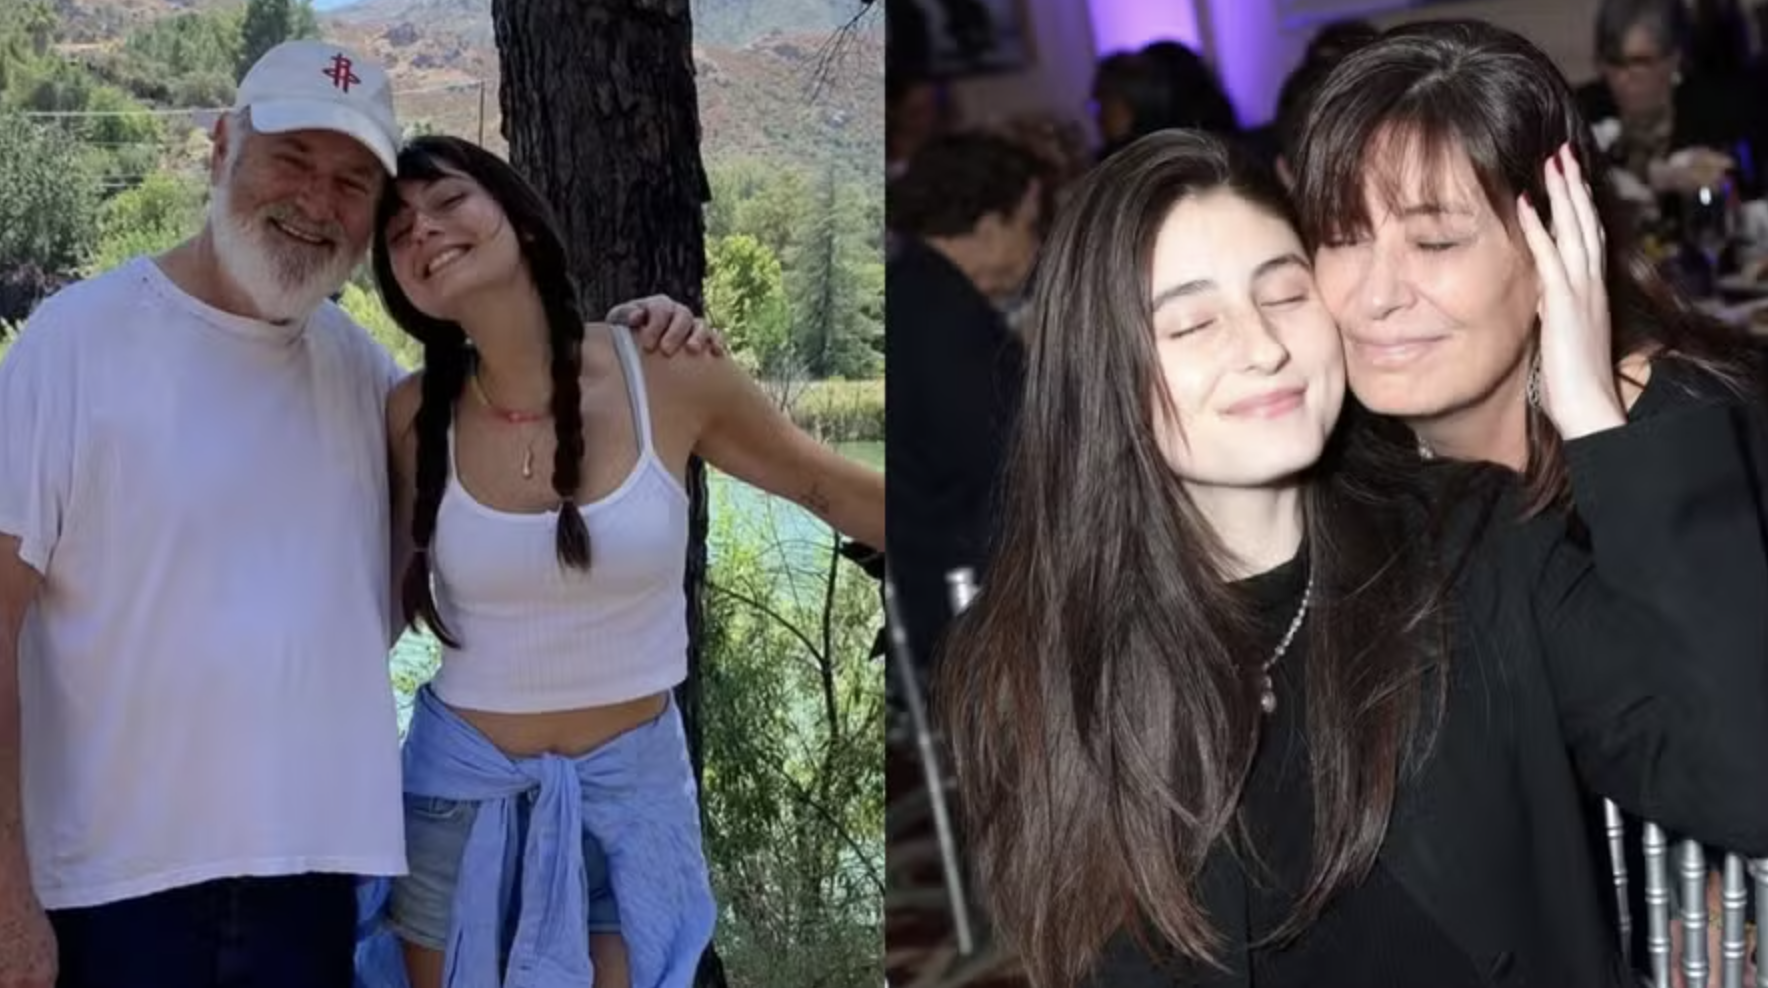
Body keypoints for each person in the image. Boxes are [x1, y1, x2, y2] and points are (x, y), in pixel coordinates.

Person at [936, 126, 1768, 988]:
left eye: (1286, 296)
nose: (1263, 347)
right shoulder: (1041, 662)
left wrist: (1595, 418)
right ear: (1102, 375)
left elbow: (1748, 784)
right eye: (1191, 324)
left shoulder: (1468, 545)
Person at [0, 41, 713, 988]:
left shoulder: (369, 382)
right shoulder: (73, 344)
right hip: (116, 889)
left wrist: (644, 338)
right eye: (291, 159)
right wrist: (8, 901)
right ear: (219, 147)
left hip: (320, 890)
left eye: (351, 182)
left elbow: (503, 525)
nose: (316, 200)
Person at [1294, 16, 1768, 982]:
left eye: (1433, 240)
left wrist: (1594, 420)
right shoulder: (1349, 470)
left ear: (1556, 239)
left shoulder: (1691, 428)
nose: (1377, 295)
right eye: (1342, 237)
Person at [366, 136, 886, 988]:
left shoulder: (666, 373)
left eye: (448, 202)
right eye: (396, 229)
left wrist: (1016, 545)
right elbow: (361, 611)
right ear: (402, 285)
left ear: (522, 223)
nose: (422, 228)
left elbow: (825, 487)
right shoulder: (412, 413)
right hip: (456, 800)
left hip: (630, 804)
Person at [886, 132, 1044, 671]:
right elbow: (1009, 468)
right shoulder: (953, 325)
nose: (1034, 244)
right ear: (989, 224)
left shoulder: (911, 292)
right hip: (961, 599)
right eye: (1029, 224)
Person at [1574, 0, 1756, 204]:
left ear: (1673, 59)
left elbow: (1747, 184)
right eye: (1614, 62)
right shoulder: (1581, 111)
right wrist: (1656, 175)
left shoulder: (1717, 112)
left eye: (1640, 62)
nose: (1624, 77)